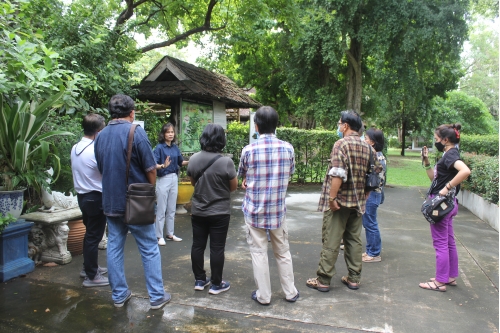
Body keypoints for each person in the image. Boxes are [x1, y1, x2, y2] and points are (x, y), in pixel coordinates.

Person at [94, 94, 171, 309]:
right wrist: (150, 193)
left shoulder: (100, 136)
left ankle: (119, 295)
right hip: (136, 202)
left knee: (114, 246)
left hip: (110, 200)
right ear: (132, 112)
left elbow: (101, 167)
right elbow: (150, 170)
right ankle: (156, 296)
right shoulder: (135, 132)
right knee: (149, 247)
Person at [306, 110, 379, 292]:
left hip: (339, 203)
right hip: (358, 203)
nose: (339, 127)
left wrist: (331, 198)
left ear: (345, 126)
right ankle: (354, 278)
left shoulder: (341, 144)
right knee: (354, 240)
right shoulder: (369, 148)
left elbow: (338, 173)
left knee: (331, 240)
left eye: (339, 124)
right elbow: (376, 174)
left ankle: (323, 280)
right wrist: (366, 194)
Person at [237, 106, 299, 305]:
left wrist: (248, 181)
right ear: (276, 126)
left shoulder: (248, 150)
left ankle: (263, 296)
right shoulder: (288, 148)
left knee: (258, 252)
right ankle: (290, 292)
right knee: (283, 252)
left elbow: (243, 175)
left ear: (256, 126)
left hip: (254, 211)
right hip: (277, 211)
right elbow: (289, 174)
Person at [187, 124, 238, 295]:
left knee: (197, 245)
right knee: (217, 248)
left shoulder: (193, 159)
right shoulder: (226, 162)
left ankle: (200, 280)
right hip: (220, 211)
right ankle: (216, 283)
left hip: (199, 210)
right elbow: (233, 187)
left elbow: (193, 183)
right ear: (221, 140)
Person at [419, 123, 470, 292]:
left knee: (440, 243)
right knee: (449, 242)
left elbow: (465, 171)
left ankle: (440, 281)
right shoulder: (450, 154)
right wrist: (426, 161)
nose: (436, 142)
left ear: (445, 140)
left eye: (436, 139)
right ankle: (449, 276)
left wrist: (446, 188)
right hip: (449, 204)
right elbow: (434, 178)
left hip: (441, 205)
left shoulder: (450, 155)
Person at [70, 114, 109, 288]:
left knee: (90, 234)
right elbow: (105, 172)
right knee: (94, 236)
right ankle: (92, 276)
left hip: (83, 196)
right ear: (98, 131)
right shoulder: (95, 149)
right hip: (96, 197)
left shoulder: (76, 147)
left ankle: (88, 268)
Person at [153, 123, 188, 245]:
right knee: (161, 208)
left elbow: (180, 162)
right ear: (163, 134)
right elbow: (153, 164)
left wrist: (191, 161)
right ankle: (158, 236)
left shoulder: (175, 148)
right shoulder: (159, 148)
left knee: (172, 208)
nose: (170, 134)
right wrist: (163, 165)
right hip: (163, 178)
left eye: (172, 132)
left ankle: (170, 234)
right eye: (168, 132)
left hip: (174, 177)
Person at [362, 128, 387, 263]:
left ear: (372, 142)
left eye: (366, 138)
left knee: (370, 224)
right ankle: (370, 250)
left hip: (372, 195)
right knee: (368, 223)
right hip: (374, 194)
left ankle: (374, 253)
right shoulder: (378, 156)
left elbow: (374, 180)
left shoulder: (377, 158)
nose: (364, 141)